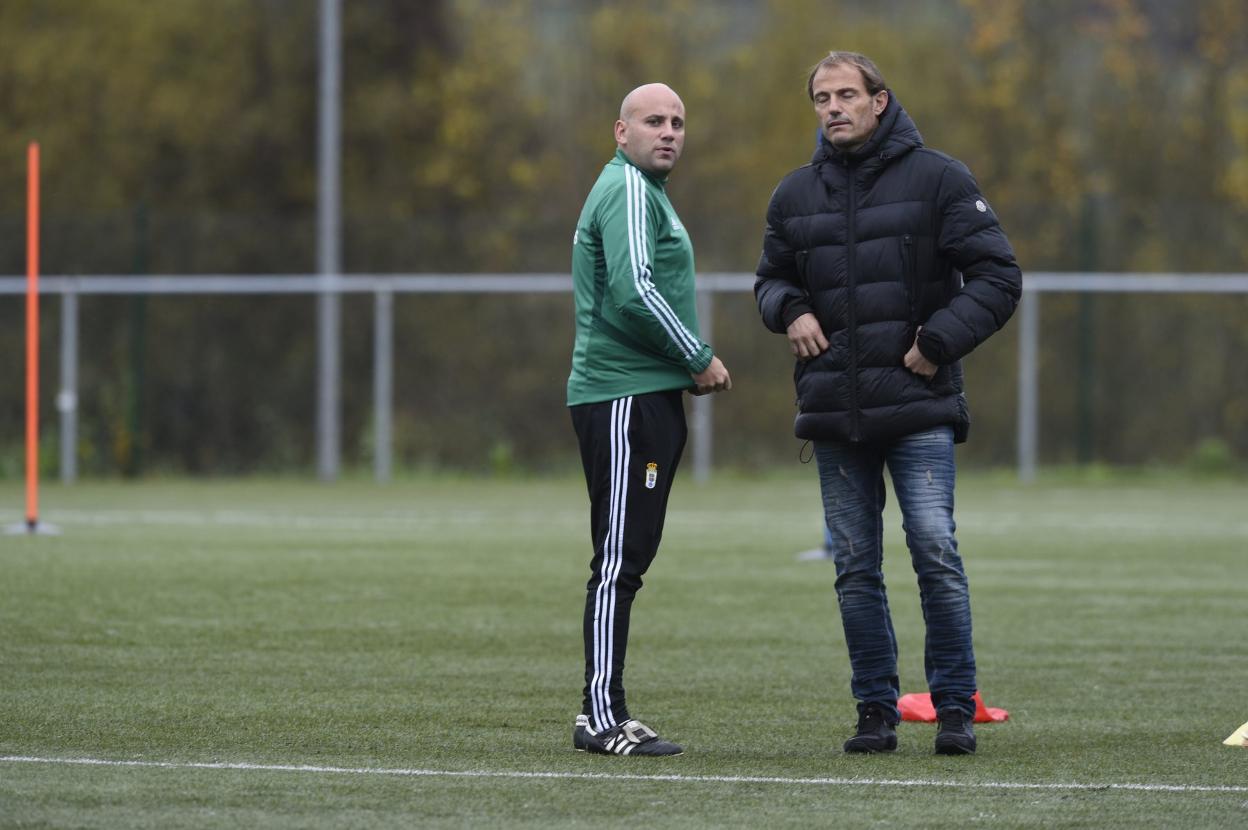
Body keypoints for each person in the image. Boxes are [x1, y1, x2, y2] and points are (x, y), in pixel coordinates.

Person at [755, 52, 1022, 755]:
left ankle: (955, 708)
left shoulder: (940, 178)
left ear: (880, 101)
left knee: (934, 549)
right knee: (853, 565)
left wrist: (938, 342)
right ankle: (875, 709)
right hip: (835, 415)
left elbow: (998, 276)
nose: (833, 107)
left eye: (847, 94)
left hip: (918, 405)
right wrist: (789, 312)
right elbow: (770, 282)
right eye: (821, 97)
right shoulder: (792, 195)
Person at [566, 82, 731, 757]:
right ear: (620, 131)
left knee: (627, 557)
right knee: (618, 561)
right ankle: (599, 716)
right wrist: (697, 354)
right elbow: (634, 291)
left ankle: (603, 708)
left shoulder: (645, 191)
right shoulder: (629, 187)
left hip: (641, 396)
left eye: (678, 122)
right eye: (653, 120)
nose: (668, 131)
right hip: (624, 396)